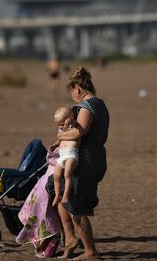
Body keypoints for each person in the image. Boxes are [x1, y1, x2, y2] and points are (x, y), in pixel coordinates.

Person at [46, 67, 110, 260]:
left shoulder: (87, 106)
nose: (72, 96)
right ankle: (71, 238)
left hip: (88, 157)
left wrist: (60, 136)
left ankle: (90, 251)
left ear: (77, 88)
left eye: (71, 92)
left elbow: (78, 132)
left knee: (74, 201)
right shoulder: (99, 104)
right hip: (93, 155)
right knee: (57, 191)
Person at [16, 148, 61, 258]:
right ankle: (31, 230)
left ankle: (33, 232)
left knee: (42, 203)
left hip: (57, 167)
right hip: (50, 173)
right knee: (35, 199)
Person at [52, 106, 79, 207]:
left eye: (62, 124)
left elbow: (76, 123)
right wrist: (55, 145)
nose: (61, 127)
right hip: (62, 156)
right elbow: (60, 140)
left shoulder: (73, 126)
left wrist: (71, 122)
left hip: (71, 155)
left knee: (67, 174)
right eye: (59, 125)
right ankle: (58, 194)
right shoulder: (61, 130)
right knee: (56, 176)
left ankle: (66, 195)